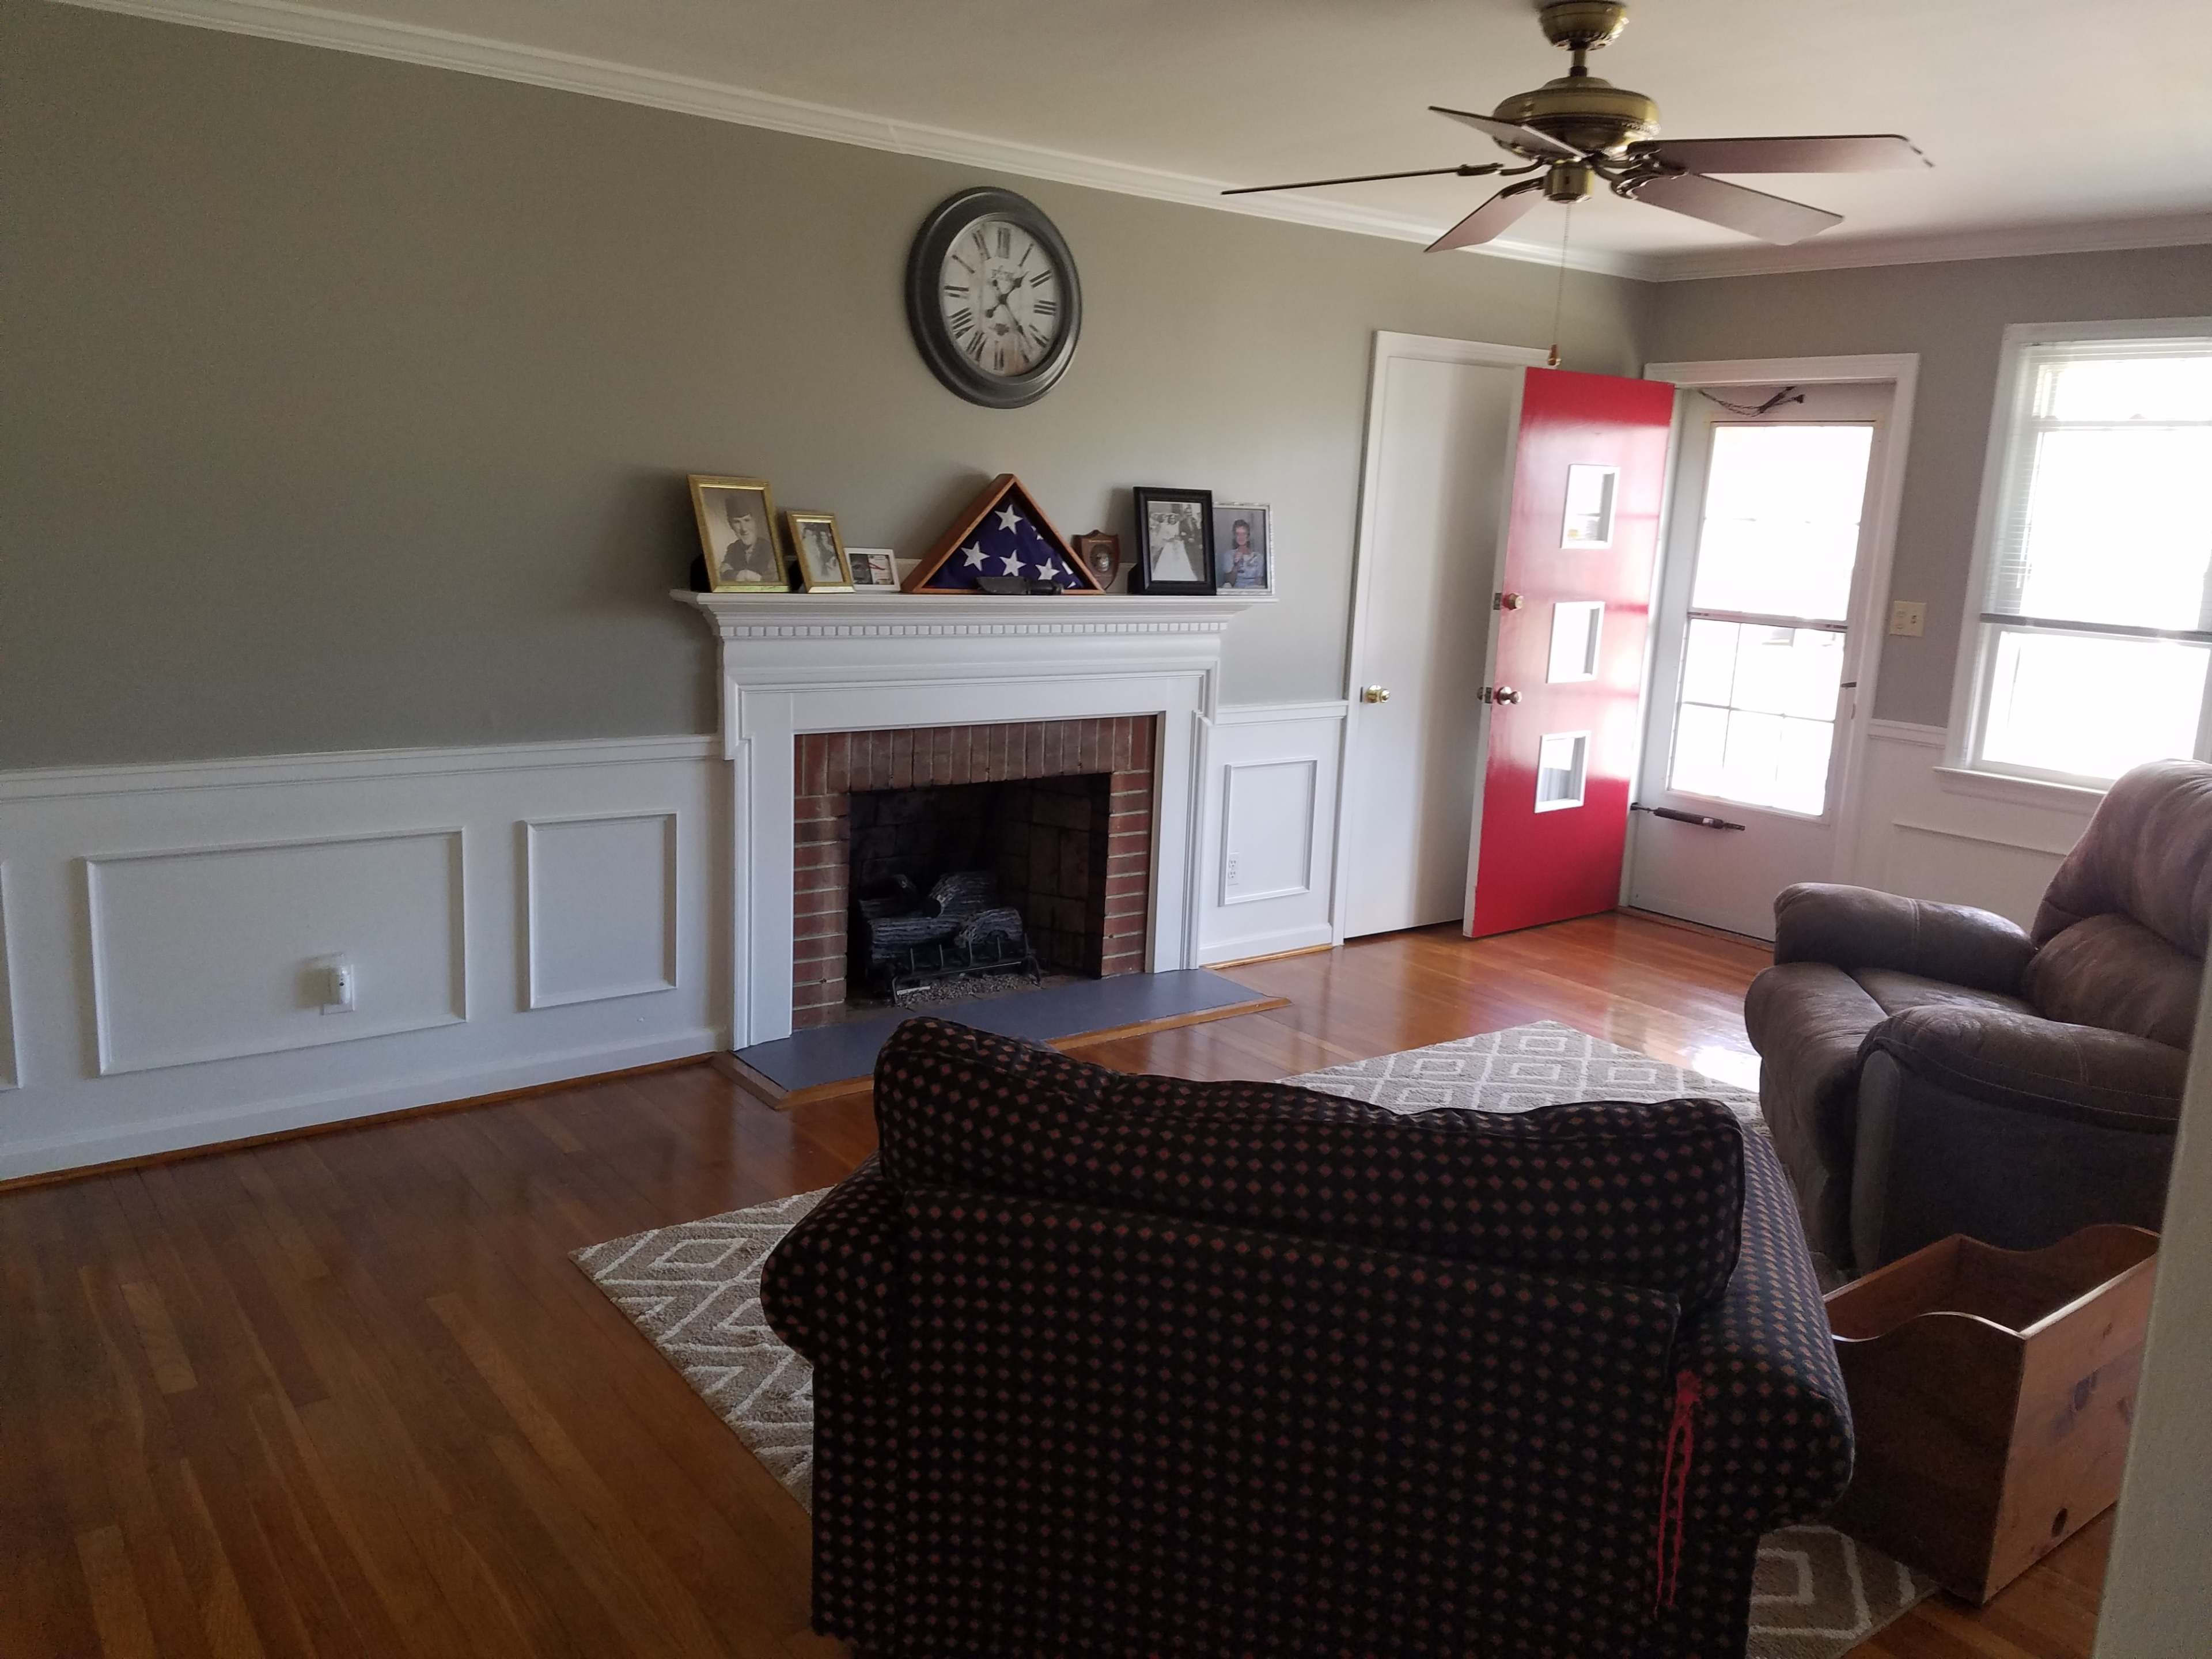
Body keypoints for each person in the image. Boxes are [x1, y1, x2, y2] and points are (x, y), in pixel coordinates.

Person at [717, 494, 779, 586]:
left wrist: (756, 578)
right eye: (737, 522)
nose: (744, 529)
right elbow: (723, 571)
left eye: (747, 520)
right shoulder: (733, 548)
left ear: (754, 521)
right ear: (731, 525)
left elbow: (774, 579)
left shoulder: (769, 548)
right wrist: (741, 575)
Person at [1149, 503, 1202, 584]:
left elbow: (1181, 533)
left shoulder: (1182, 524)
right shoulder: (1166, 527)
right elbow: (1164, 537)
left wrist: (1180, 537)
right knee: (1169, 560)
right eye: (1171, 519)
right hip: (1170, 545)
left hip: (1179, 544)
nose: (1172, 520)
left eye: (1174, 519)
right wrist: (1171, 539)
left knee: (1183, 560)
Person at [1223, 517, 1264, 588]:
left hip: (1254, 592)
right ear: (1235, 537)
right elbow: (1230, 582)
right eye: (1238, 534)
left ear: (1248, 536)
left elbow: (1259, 581)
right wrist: (1236, 565)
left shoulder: (1259, 557)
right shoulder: (1229, 555)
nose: (1241, 537)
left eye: (1244, 534)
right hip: (1236, 592)